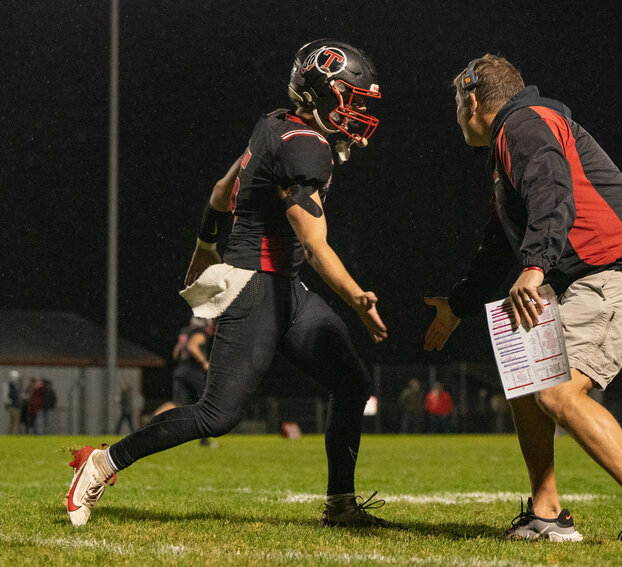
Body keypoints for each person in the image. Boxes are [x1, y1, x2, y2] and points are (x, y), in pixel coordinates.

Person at [65, 39, 395, 529]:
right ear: (317, 91)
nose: (357, 113)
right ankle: (101, 463)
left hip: (284, 285)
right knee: (216, 415)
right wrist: (355, 297)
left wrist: (204, 245)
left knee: (351, 383)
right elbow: (314, 243)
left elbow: (223, 191)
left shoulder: (276, 125)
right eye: (349, 99)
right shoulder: (305, 146)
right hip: (254, 283)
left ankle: (341, 505)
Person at [424, 55, 622, 544]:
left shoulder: (524, 124)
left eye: (455, 103)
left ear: (471, 99)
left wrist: (534, 267)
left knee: (555, 392)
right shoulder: (513, 142)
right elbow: (495, 248)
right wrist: (459, 305)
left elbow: (554, 193)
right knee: (525, 377)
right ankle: (545, 513)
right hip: (598, 272)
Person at [171, 316, 215, 446]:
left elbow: (176, 353)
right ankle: (204, 439)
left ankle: (154, 421)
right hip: (193, 372)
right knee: (205, 404)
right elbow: (192, 346)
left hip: (181, 370)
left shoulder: (185, 331)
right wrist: (204, 362)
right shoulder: (198, 332)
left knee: (179, 405)